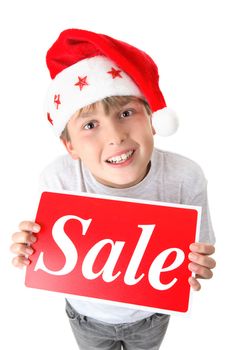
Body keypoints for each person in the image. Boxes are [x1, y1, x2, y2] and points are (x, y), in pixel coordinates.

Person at [10, 29, 216, 350]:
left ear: (152, 120)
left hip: (150, 317)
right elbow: (49, 254)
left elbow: (198, 249)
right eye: (90, 125)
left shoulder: (185, 177)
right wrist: (30, 247)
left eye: (126, 113)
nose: (116, 136)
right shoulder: (57, 180)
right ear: (70, 146)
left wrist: (197, 265)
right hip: (85, 315)